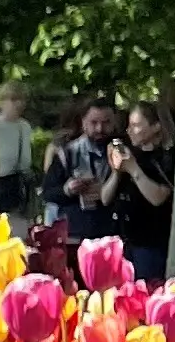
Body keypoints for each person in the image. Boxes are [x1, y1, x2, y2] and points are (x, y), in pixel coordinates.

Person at [102, 96, 175, 279]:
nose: (129, 131)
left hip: (151, 243)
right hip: (123, 239)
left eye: (136, 125)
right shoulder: (130, 154)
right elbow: (105, 198)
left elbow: (158, 197)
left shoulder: (165, 159)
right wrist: (117, 172)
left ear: (155, 127)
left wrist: (133, 169)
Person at [42, 97, 119, 238]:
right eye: (94, 122)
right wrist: (68, 190)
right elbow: (48, 193)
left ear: (114, 122)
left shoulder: (124, 152)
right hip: (75, 233)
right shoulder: (67, 152)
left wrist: (109, 190)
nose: (100, 129)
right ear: (83, 122)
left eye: (106, 122)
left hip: (113, 233)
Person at [0, 83, 39, 211]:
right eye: (13, 99)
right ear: (2, 101)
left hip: (13, 183)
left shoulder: (24, 126)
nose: (18, 104)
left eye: (21, 99)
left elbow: (25, 161)